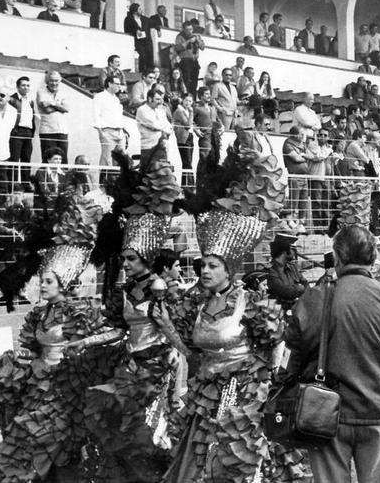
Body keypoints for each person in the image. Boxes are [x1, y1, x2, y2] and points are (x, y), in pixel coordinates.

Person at [161, 130, 306, 482]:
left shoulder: (250, 302)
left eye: (213, 266)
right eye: (203, 265)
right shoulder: (193, 303)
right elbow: (187, 348)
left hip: (242, 401)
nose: (205, 270)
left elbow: (278, 347)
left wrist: (261, 388)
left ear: (230, 269)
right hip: (205, 398)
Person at [283, 225, 380, 483]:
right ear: (373, 258)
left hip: (324, 413)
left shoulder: (312, 298)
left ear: (336, 256)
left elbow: (292, 357)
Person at [0, 189, 121, 482]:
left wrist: (84, 344)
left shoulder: (80, 311)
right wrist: (25, 355)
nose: (42, 286)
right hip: (39, 384)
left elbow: (109, 338)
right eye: (42, 280)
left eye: (48, 281)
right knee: (26, 440)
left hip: (66, 389)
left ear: (62, 283)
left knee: (46, 443)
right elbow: (31, 346)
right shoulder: (39, 313)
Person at [82, 159, 186, 481]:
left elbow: (176, 336)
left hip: (159, 370)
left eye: (131, 259)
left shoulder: (160, 289)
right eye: (124, 258)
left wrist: (167, 326)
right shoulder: (126, 289)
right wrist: (84, 341)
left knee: (152, 437)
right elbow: (117, 329)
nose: (125, 264)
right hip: (132, 366)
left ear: (146, 260)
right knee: (121, 431)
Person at [267, 233, 308, 312]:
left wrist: (299, 289)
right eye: (293, 249)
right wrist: (299, 288)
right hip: (278, 312)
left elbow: (306, 284)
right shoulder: (271, 270)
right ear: (286, 251)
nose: (295, 252)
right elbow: (285, 292)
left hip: (296, 309)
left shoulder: (292, 267)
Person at [135, 88, 173, 172]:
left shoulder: (160, 110)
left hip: (162, 146)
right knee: (148, 173)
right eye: (157, 99)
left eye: (161, 99)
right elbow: (153, 125)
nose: (160, 102)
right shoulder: (142, 110)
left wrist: (162, 126)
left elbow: (169, 127)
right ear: (149, 99)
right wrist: (162, 126)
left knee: (162, 172)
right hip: (149, 146)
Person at [36, 70, 69, 162]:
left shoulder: (63, 93)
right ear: (47, 81)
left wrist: (52, 103)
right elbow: (46, 109)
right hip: (47, 131)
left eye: (56, 81)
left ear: (60, 81)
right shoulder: (41, 92)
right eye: (51, 80)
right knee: (48, 160)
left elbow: (66, 109)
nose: (54, 83)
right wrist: (59, 106)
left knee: (63, 160)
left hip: (62, 131)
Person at [8, 76, 35, 186]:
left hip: (28, 132)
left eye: (28, 85)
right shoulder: (12, 99)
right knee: (14, 159)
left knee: (26, 160)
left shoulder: (30, 100)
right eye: (23, 85)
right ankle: (13, 185)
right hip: (17, 132)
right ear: (17, 87)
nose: (25, 87)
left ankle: (25, 184)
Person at [174, 21, 205, 94]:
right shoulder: (179, 36)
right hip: (185, 61)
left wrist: (198, 40)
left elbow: (202, 47)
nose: (189, 31)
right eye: (187, 30)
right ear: (184, 29)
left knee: (194, 81)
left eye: (190, 29)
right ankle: (186, 95)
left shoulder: (196, 36)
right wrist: (188, 41)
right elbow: (178, 48)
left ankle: (193, 97)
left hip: (194, 60)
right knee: (187, 80)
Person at [124, 3, 154, 73]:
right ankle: (142, 72)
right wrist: (136, 30)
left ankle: (150, 73)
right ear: (135, 11)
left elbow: (153, 23)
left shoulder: (143, 18)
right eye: (139, 9)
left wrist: (158, 29)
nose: (141, 10)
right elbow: (127, 29)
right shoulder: (129, 18)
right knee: (142, 56)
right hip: (137, 41)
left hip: (146, 41)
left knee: (149, 57)